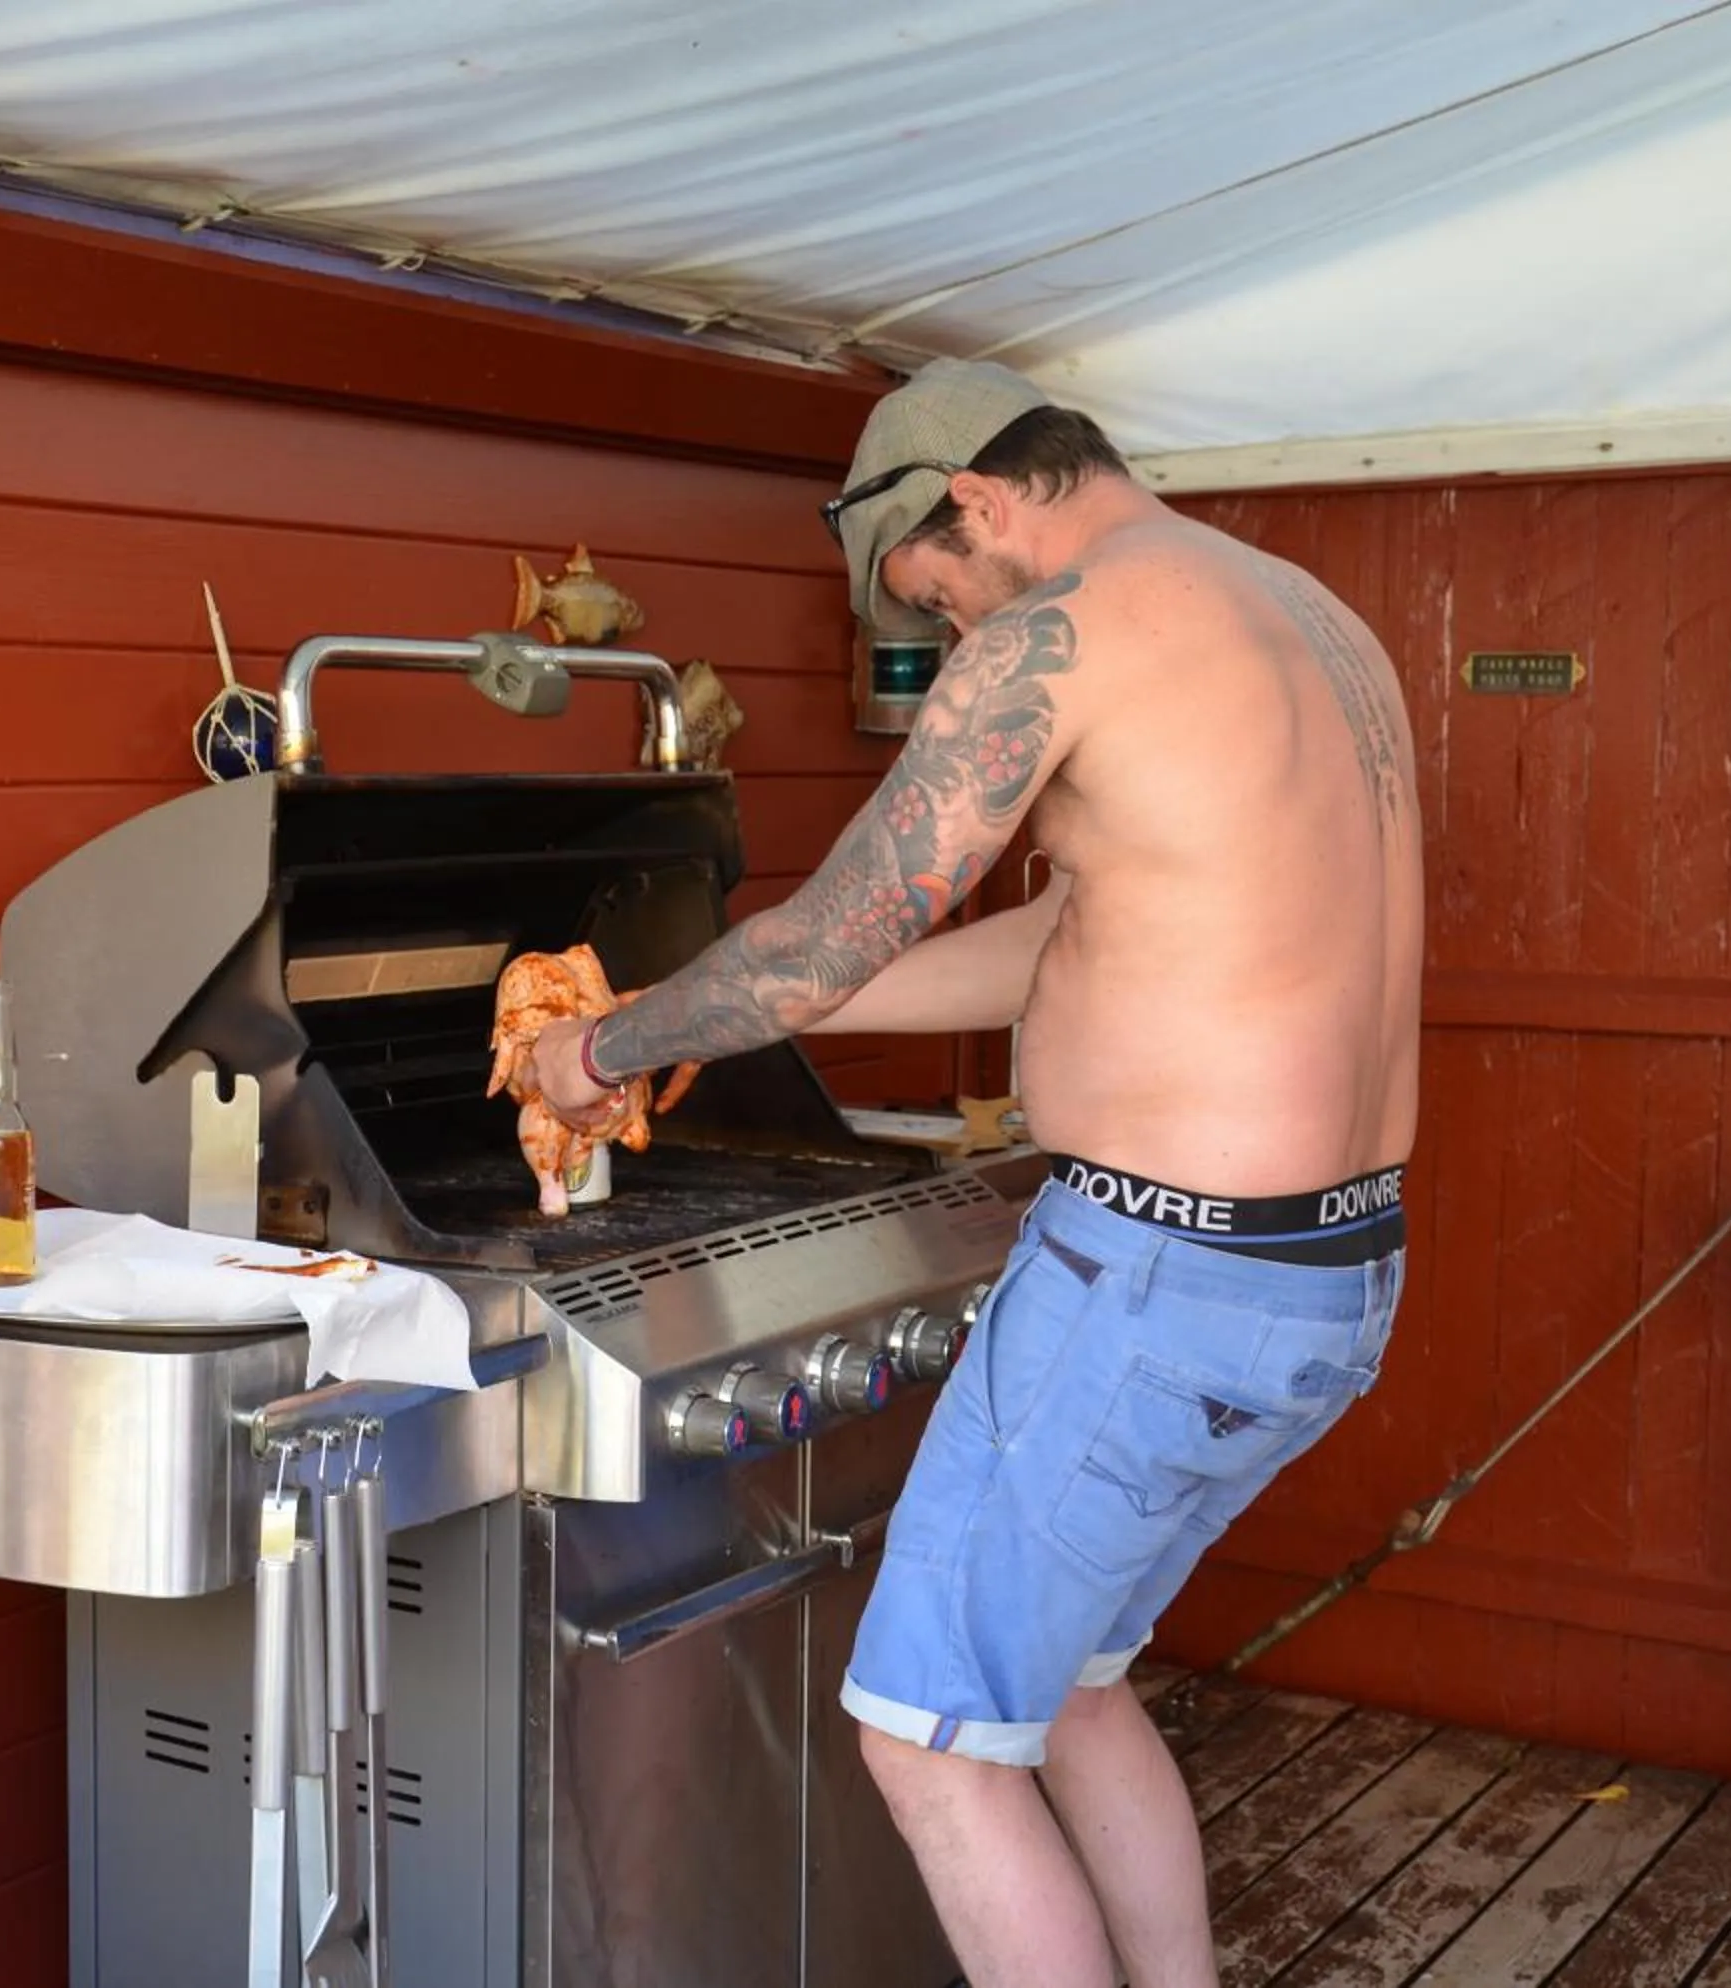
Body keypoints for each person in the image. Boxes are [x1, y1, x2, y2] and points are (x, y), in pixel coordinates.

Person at [531, 357, 1422, 1988]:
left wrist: (599, 1049)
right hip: (1330, 1274)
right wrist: (742, 1006)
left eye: (924, 594)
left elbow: (842, 925)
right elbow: (1072, 941)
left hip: (1158, 1271)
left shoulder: (1057, 633)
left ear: (978, 501)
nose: (940, 634)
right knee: (1070, 1688)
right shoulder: (1305, 617)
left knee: (934, 1746)